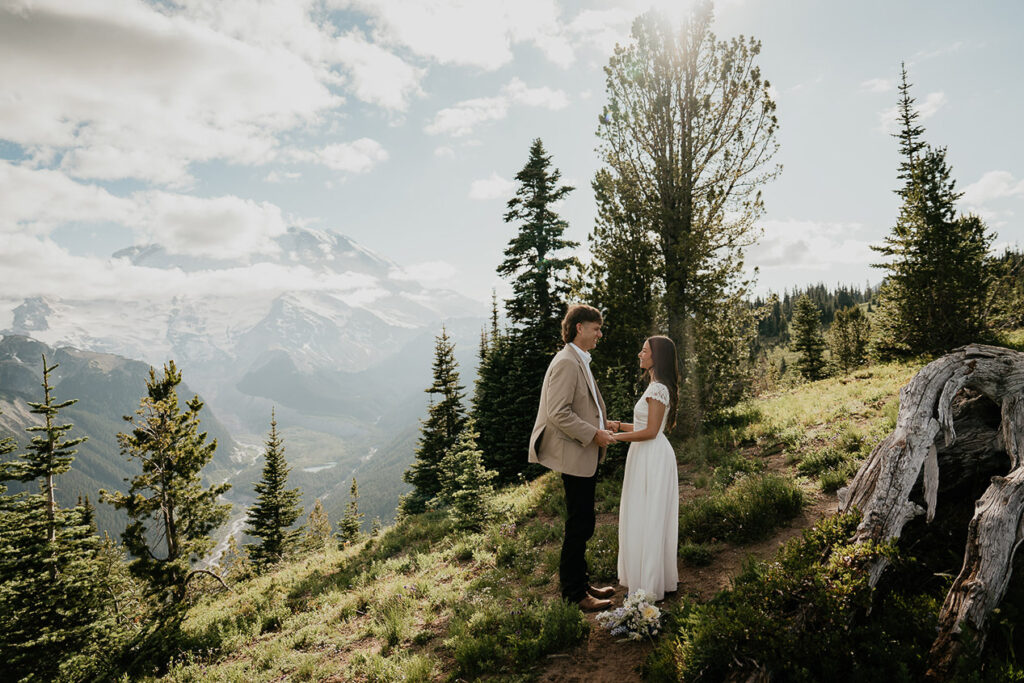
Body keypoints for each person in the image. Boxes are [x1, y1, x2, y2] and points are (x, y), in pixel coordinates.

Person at [528, 304, 618, 611]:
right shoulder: (567, 362)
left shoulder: (579, 360)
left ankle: (580, 583)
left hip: (584, 452)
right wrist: (594, 434)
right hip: (576, 453)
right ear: (579, 327)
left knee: (584, 521)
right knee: (579, 524)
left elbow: (582, 407)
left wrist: (605, 425)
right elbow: (558, 413)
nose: (600, 334)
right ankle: (574, 594)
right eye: (596, 328)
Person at [610, 335, 680, 601]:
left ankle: (650, 583)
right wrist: (619, 426)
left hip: (652, 457)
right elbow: (646, 426)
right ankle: (647, 576)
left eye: (644, 351)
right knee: (642, 513)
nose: (640, 354)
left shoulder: (658, 388)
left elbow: (651, 431)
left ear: (656, 357)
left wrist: (614, 438)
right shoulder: (654, 385)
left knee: (649, 515)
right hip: (645, 455)